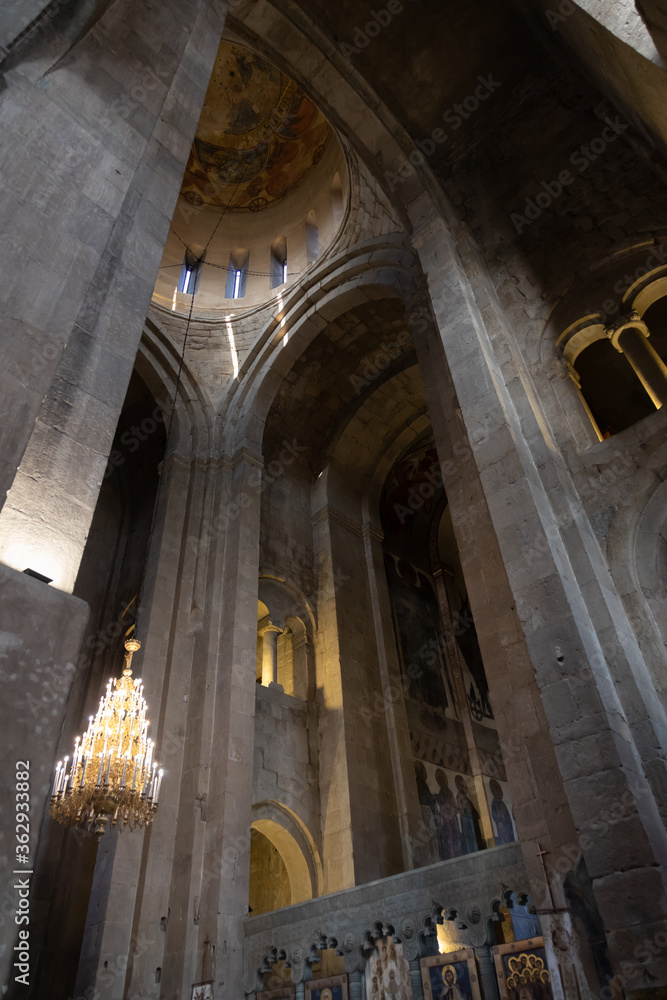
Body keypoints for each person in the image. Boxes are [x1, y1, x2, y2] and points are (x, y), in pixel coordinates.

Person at [434, 769, 462, 859]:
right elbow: (443, 803)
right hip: (446, 818)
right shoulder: (443, 791)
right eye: (440, 779)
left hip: (451, 817)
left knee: (454, 837)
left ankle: (455, 854)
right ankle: (450, 855)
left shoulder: (448, 791)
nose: (442, 781)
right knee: (448, 837)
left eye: (443, 779)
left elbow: (450, 803)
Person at [455, 775, 484, 853]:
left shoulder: (466, 797)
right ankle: (471, 850)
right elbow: (459, 808)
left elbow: (471, 807)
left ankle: (476, 849)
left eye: (464, 785)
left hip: (471, 819)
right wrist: (465, 809)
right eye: (461, 785)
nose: (463, 787)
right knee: (469, 837)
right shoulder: (459, 796)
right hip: (466, 820)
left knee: (475, 835)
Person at [489, 779, 515, 844]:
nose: (496, 791)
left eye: (497, 790)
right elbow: (494, 814)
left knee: (510, 838)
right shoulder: (494, 802)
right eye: (494, 790)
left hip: (507, 824)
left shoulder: (502, 802)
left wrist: (507, 819)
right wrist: (500, 818)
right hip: (501, 825)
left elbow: (507, 814)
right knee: (504, 839)